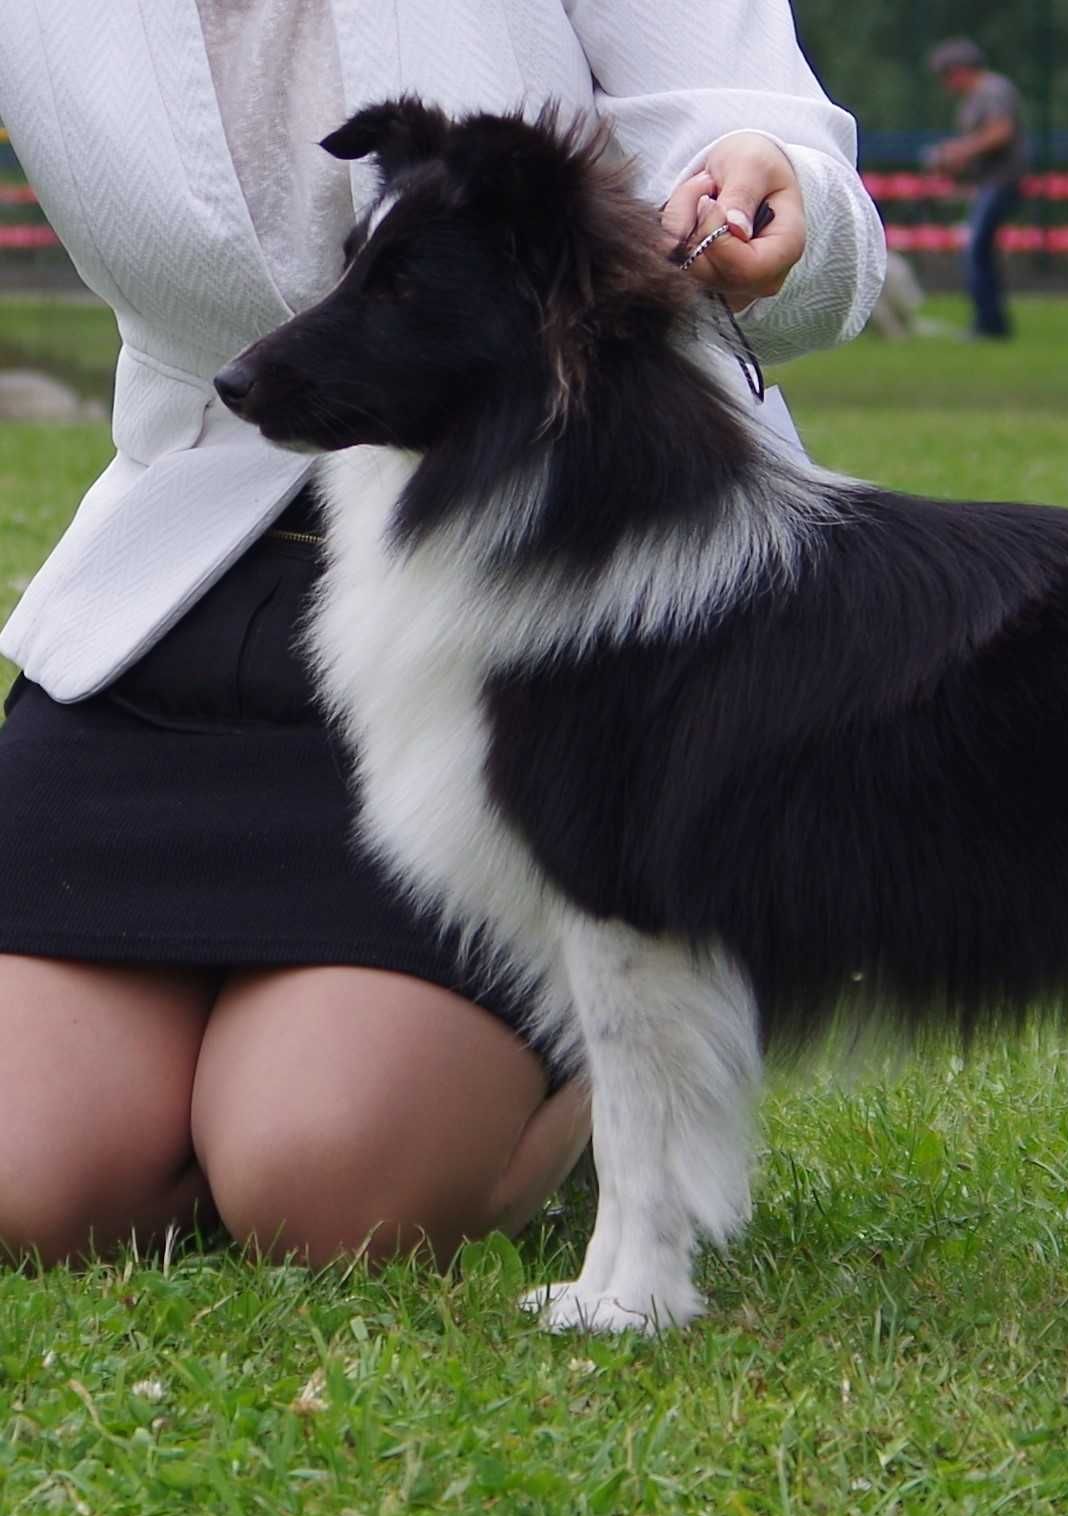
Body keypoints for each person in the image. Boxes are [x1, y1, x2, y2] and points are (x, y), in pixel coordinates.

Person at [0, 1, 885, 1268]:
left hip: (543, 611)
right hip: (179, 592)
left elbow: (771, 151)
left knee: (335, 1185)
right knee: (26, 1185)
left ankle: (642, 987)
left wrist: (778, 200)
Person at [923, 37, 1026, 341]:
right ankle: (991, 323)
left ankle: (989, 325)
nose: (946, 84)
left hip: (1001, 181)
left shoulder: (992, 89)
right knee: (980, 250)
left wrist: (959, 151)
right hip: (988, 183)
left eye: (947, 75)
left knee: (977, 249)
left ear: (960, 70)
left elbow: (1000, 132)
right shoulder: (975, 98)